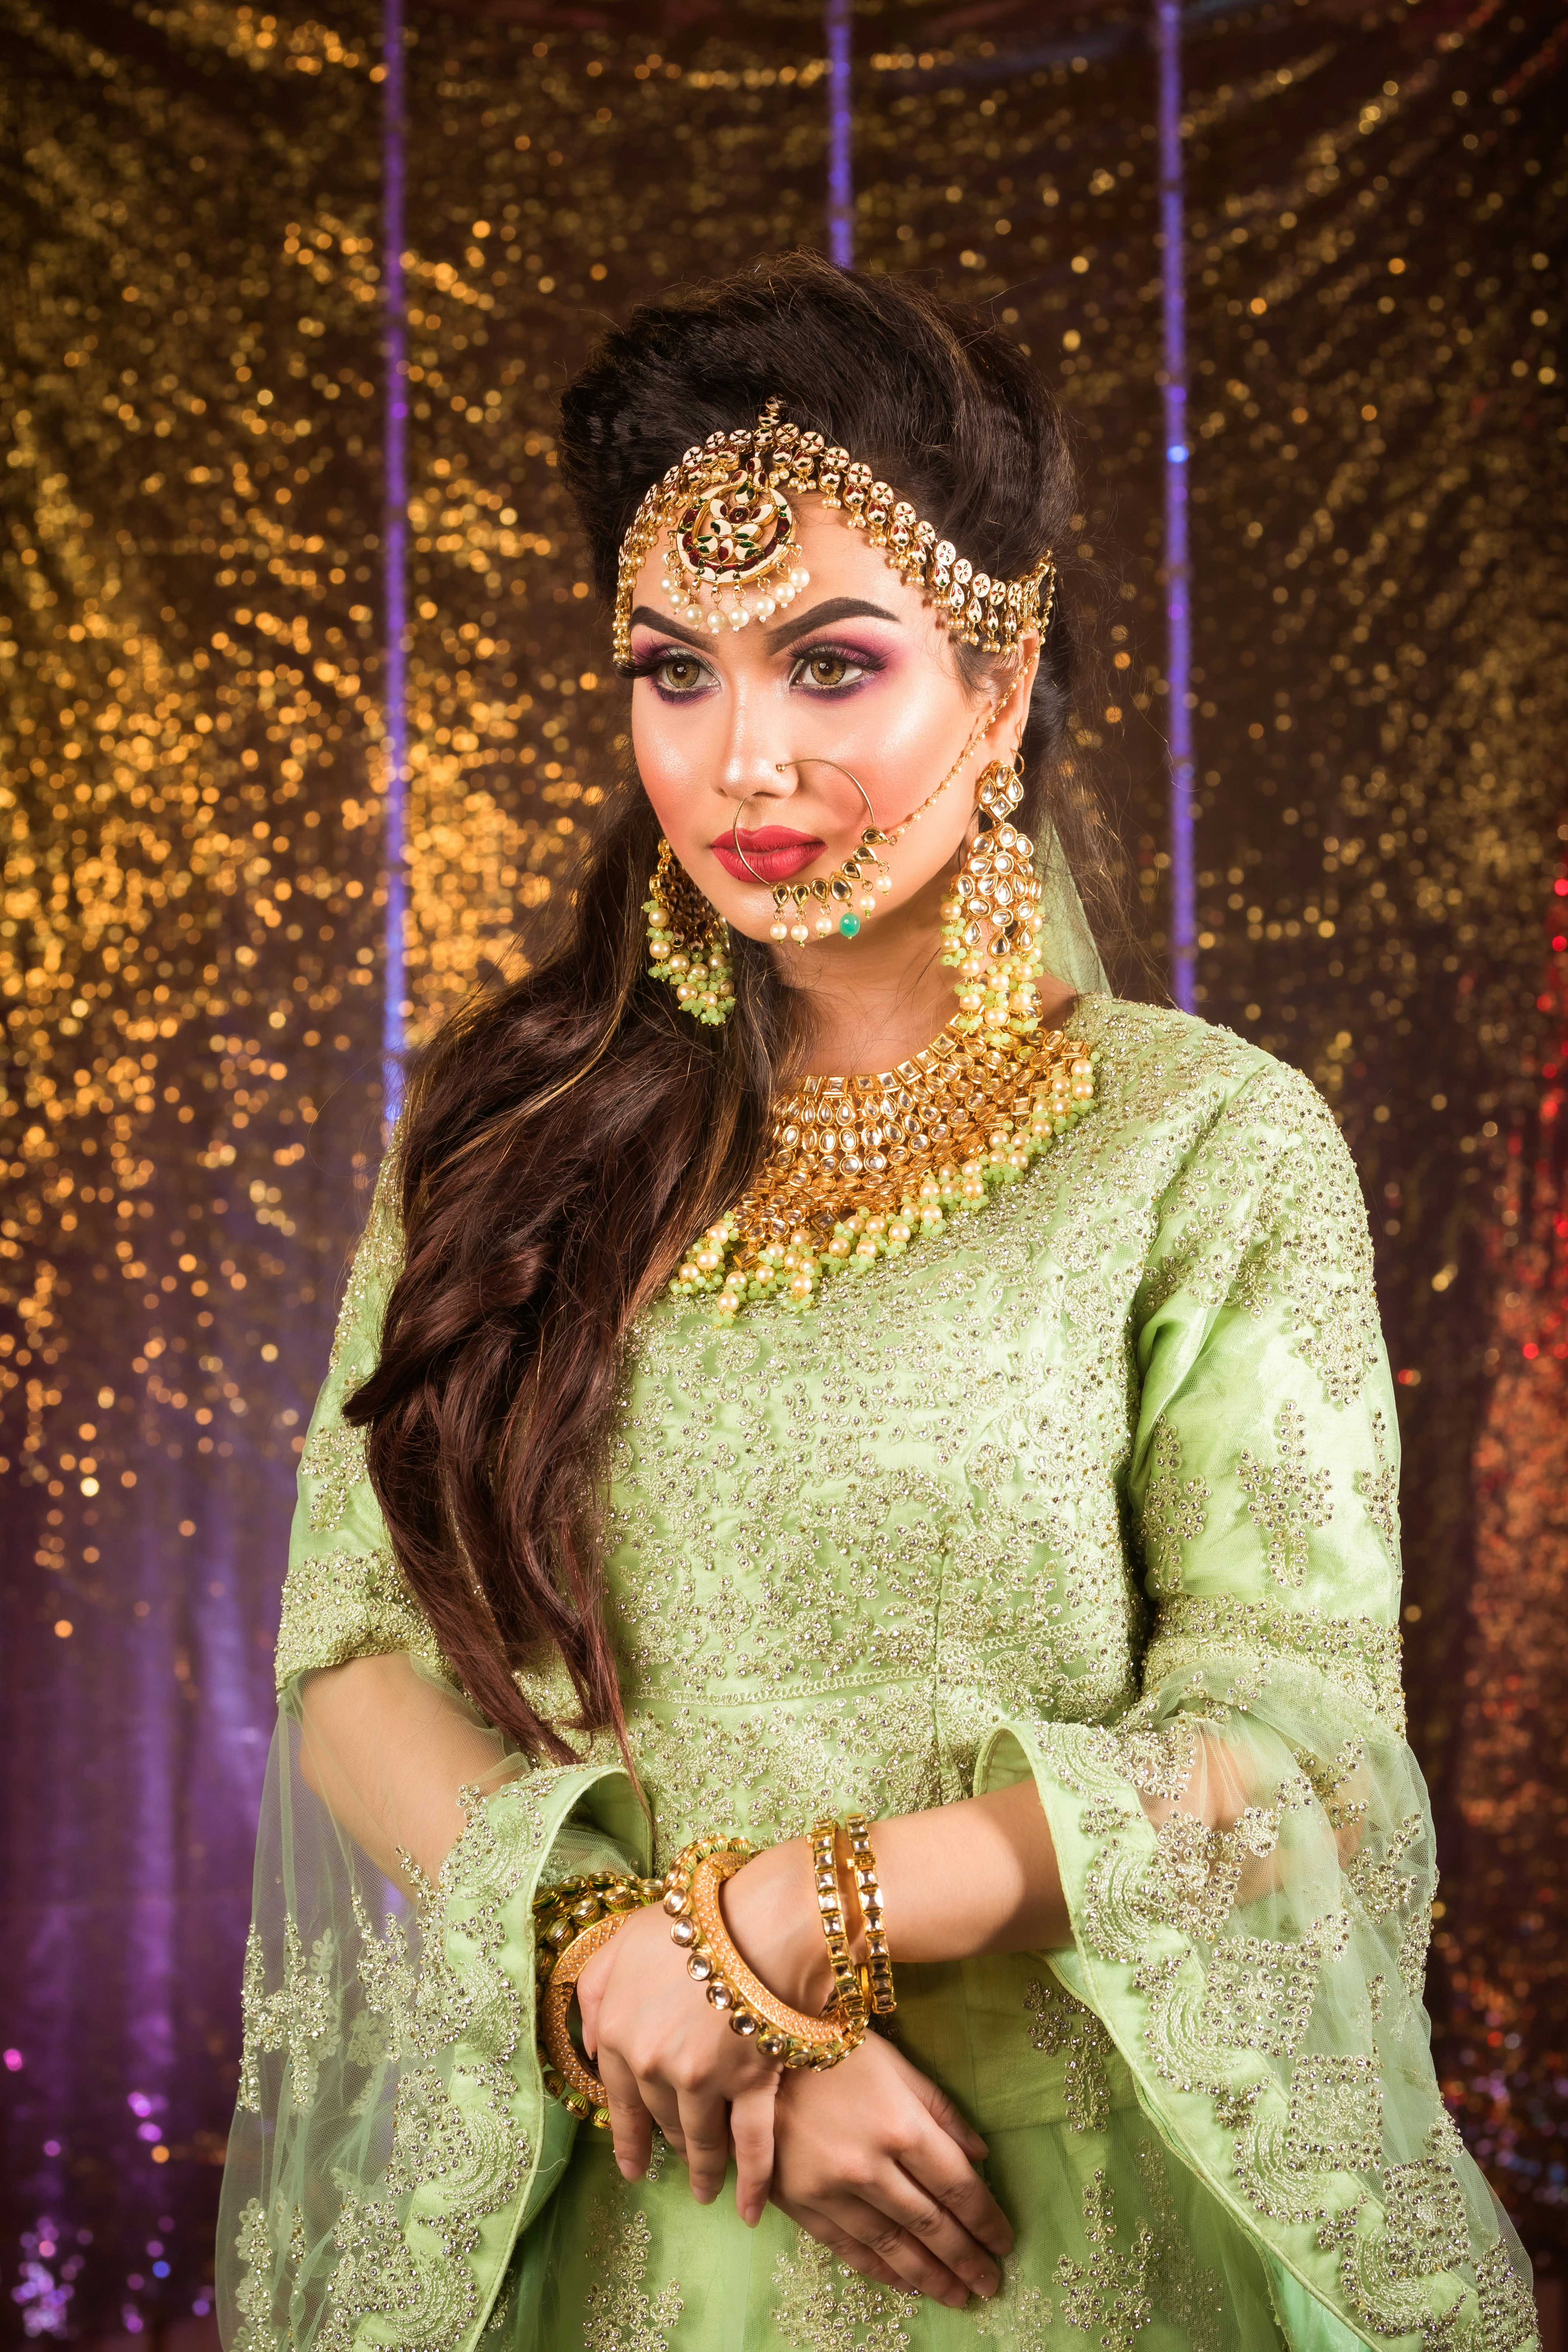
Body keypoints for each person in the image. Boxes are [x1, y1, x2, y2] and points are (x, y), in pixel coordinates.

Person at [217, 255, 1538, 2352]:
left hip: (1044, 2220)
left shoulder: (1201, 1147)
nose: (747, 757)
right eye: (677, 673)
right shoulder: (510, 1138)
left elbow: (1289, 1752)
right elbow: (355, 1659)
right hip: (636, 2178)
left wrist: (775, 1918)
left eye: (834, 664)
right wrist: (647, 1996)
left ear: (999, 684)